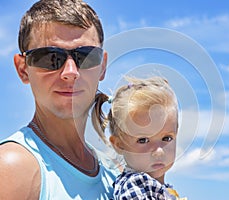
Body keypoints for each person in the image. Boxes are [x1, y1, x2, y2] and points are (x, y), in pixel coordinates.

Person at [0, 0, 120, 199]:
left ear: (103, 66)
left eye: (86, 56)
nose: (70, 72)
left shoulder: (113, 173)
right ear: (23, 69)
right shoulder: (13, 168)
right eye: (50, 57)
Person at [92, 76, 187, 199]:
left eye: (167, 138)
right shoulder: (136, 184)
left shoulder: (160, 188)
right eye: (143, 140)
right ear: (119, 144)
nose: (158, 151)